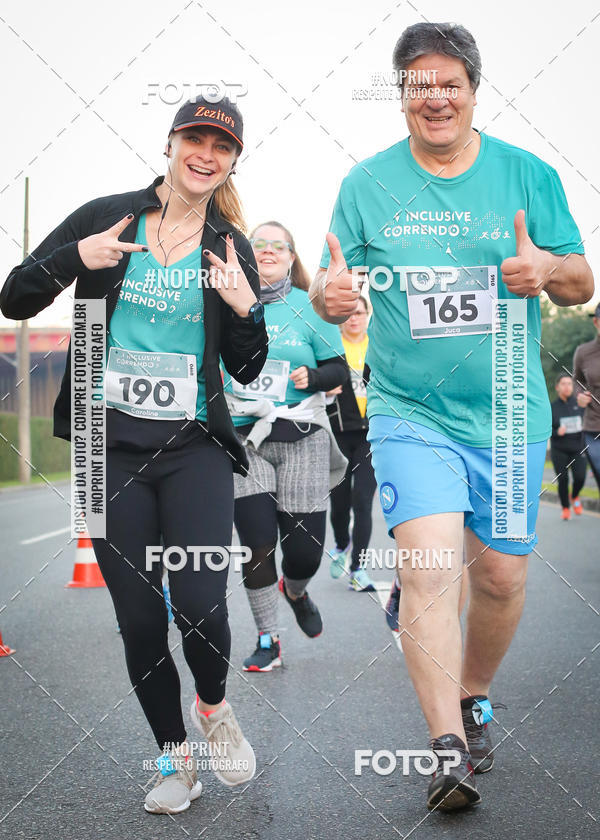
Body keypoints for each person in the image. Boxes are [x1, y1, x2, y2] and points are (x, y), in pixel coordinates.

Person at [310, 22, 594, 812]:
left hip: (507, 412)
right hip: (410, 410)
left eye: (450, 84)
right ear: (401, 95)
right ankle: (445, 749)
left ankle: (473, 695)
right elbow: (331, 284)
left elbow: (581, 281)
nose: (435, 99)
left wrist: (546, 268)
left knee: (499, 577)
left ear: (473, 90)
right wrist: (329, 294)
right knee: (430, 571)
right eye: (419, 86)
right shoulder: (368, 184)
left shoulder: (527, 175)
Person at [0, 96, 269, 815]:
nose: (206, 154)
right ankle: (176, 763)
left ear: (233, 160)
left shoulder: (229, 247)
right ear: (170, 143)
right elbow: (14, 297)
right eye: (195, 139)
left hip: (194, 447)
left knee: (202, 606)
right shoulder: (107, 218)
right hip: (103, 449)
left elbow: (247, 367)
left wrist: (245, 309)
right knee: (141, 618)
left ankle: (213, 707)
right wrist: (73, 259)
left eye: (222, 145)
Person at [223, 221, 348, 673]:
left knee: (304, 552)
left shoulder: (309, 308)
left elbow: (340, 371)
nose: (269, 251)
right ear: (245, 254)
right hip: (245, 440)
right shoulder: (224, 303)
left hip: (302, 436)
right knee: (257, 544)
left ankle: (294, 591)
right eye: (259, 244)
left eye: (280, 246)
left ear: (292, 258)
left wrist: (312, 377)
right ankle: (268, 639)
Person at [327, 295, 377, 592]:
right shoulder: (330, 347)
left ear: (368, 314)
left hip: (371, 436)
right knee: (339, 501)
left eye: (359, 312)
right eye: (348, 314)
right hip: (338, 434)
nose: (354, 318)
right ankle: (342, 543)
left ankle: (358, 569)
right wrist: (324, 386)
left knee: (363, 501)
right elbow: (316, 379)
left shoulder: (378, 346)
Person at [550, 374, 587, 519]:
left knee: (580, 477)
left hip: (578, 448)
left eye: (569, 384)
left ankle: (575, 495)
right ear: (557, 387)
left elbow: (588, 421)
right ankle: (565, 508)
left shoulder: (580, 404)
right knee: (563, 480)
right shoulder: (552, 407)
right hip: (559, 449)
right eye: (563, 384)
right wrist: (556, 432)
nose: (567, 387)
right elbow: (546, 428)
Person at [573, 303, 600, 496]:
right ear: (596, 322)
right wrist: (579, 395)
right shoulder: (584, 352)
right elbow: (577, 380)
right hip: (593, 427)